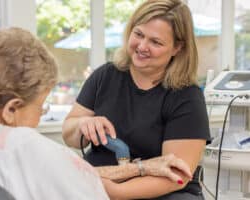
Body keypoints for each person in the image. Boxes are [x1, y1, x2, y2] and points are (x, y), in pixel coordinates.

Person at [0, 27, 193, 200]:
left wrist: (143, 168)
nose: (38, 118)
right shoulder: (24, 146)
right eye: (40, 107)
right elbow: (76, 178)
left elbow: (73, 173)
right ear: (11, 109)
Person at [62, 0, 211, 199]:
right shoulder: (105, 76)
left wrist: (114, 190)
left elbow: (177, 174)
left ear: (178, 48)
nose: (142, 46)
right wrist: (83, 124)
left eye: (155, 42)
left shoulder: (186, 96)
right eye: (138, 34)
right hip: (100, 184)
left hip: (162, 193)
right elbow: (69, 135)